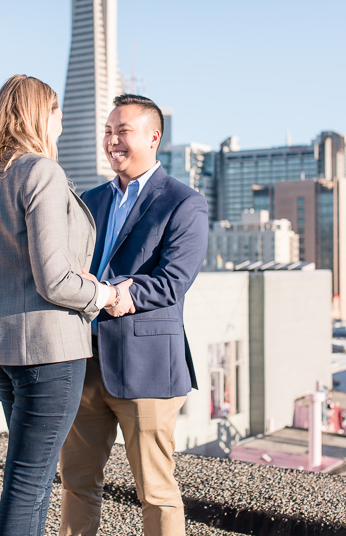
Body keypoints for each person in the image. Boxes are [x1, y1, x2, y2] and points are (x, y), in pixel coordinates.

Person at [0, 75, 133, 536]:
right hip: (49, 352)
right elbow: (54, 280)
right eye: (56, 113)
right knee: (30, 484)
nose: (62, 124)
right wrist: (105, 295)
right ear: (38, 116)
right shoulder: (40, 172)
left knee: (24, 477)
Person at [59, 93, 209, 536]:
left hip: (146, 371)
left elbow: (171, 282)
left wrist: (110, 293)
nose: (111, 141)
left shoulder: (184, 203)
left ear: (153, 137)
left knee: (156, 493)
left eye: (122, 131)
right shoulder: (88, 199)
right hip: (83, 362)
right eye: (107, 132)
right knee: (76, 483)